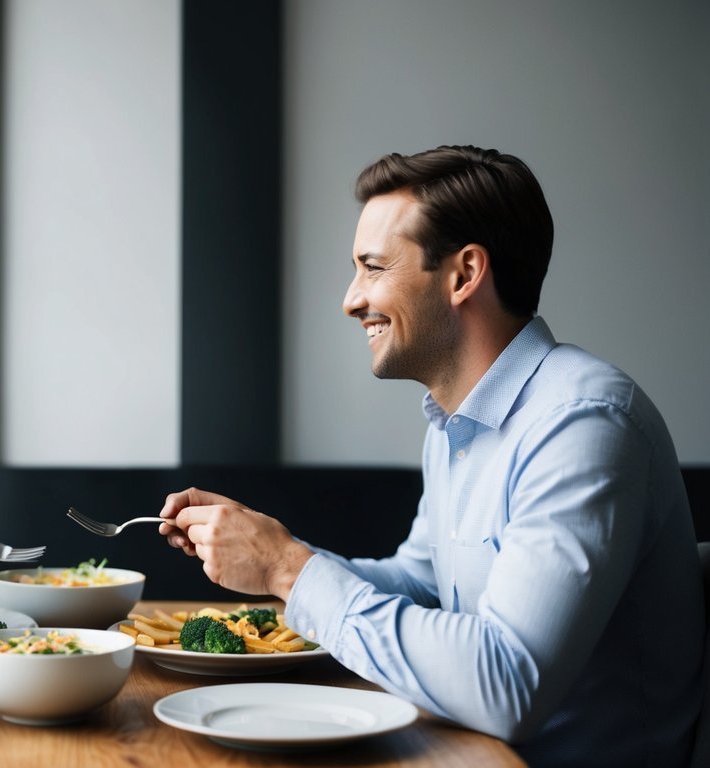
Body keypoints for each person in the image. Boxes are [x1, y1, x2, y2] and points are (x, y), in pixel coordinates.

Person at [158, 145, 703, 766]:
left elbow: (509, 686)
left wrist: (289, 569)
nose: (350, 299)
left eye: (373, 268)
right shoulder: (453, 425)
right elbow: (420, 584)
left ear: (464, 274)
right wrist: (269, 550)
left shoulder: (583, 424)